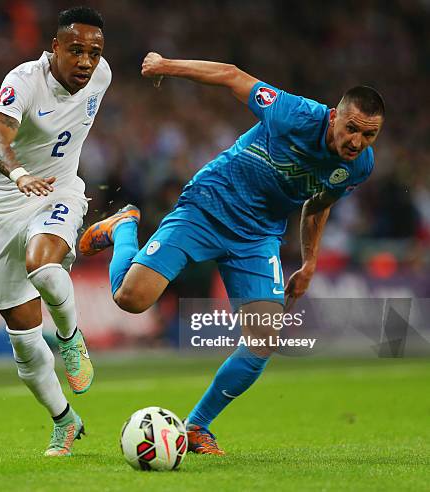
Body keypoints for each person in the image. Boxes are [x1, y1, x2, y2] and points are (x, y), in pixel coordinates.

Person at [80, 52, 384, 454]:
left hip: (257, 237)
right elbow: (230, 75)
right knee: (131, 299)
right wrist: (165, 66)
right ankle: (124, 227)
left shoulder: (359, 165)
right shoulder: (294, 113)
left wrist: (310, 262)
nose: (356, 142)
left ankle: (196, 426)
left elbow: (318, 204)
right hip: (208, 205)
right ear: (334, 117)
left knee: (263, 339)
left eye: (368, 136)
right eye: (351, 130)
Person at [0, 6, 111, 456]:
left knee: (43, 264)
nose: (86, 62)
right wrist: (18, 176)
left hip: (60, 191)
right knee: (25, 340)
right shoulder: (24, 81)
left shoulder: (102, 76)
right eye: (75, 50)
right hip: (3, 203)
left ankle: (72, 340)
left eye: (94, 52)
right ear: (53, 47)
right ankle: (65, 421)